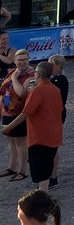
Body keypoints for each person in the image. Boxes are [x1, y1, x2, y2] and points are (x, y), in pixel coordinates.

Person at [1, 63, 62, 192]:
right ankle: (44, 189)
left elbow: (25, 113)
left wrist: (8, 127)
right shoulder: (55, 89)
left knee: (40, 168)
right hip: (54, 134)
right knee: (47, 164)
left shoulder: (37, 90)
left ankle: (42, 193)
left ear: (38, 74)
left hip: (40, 136)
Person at [0, 51, 34, 182]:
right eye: (19, 60)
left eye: (25, 59)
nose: (22, 62)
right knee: (11, 141)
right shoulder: (12, 72)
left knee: (21, 143)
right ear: (14, 60)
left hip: (20, 113)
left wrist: (14, 78)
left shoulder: (32, 75)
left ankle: (22, 170)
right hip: (8, 111)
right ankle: (12, 167)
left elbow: (23, 94)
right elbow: (4, 90)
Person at [45, 57, 66, 189]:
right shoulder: (54, 79)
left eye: (52, 65)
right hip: (53, 115)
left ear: (59, 66)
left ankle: (53, 175)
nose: (50, 67)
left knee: (53, 146)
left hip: (56, 115)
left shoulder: (60, 79)